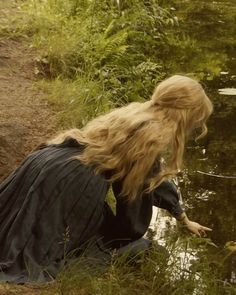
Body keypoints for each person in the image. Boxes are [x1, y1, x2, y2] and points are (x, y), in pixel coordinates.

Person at [0, 75, 213, 283]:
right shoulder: (152, 135)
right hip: (69, 183)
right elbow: (135, 198)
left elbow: (152, 179)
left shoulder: (135, 112)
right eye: (196, 121)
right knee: (132, 249)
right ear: (186, 115)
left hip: (45, 162)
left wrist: (182, 217)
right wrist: (126, 235)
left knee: (18, 227)